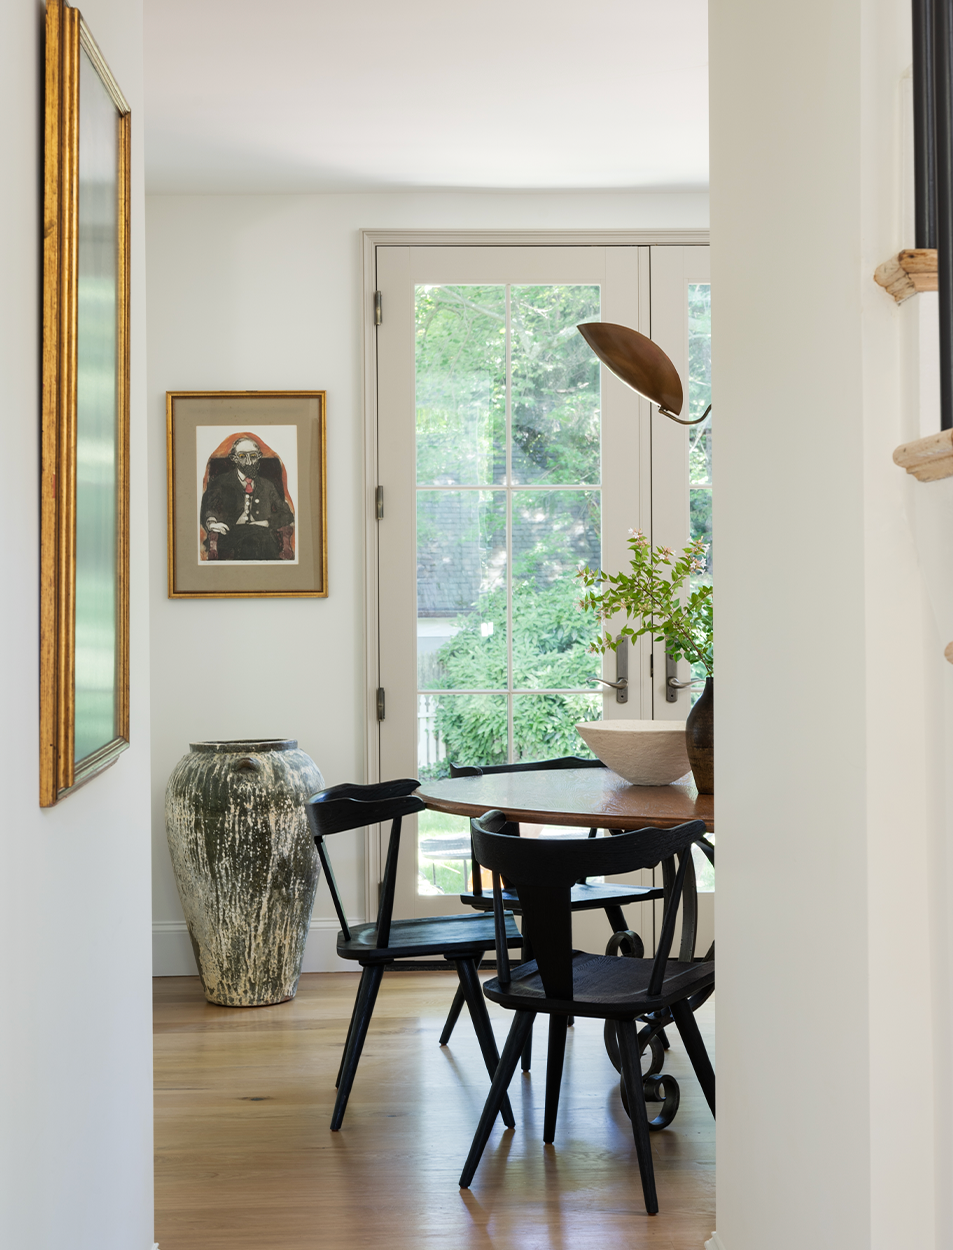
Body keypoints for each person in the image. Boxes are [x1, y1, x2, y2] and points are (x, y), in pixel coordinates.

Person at [201, 437, 294, 561]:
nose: (249, 461)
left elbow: (286, 514)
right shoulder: (221, 483)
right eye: (243, 456)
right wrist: (212, 524)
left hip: (263, 535)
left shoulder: (267, 485)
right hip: (230, 535)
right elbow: (209, 507)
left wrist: (267, 523)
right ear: (234, 459)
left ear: (259, 457)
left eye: (253, 455)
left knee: (261, 539)